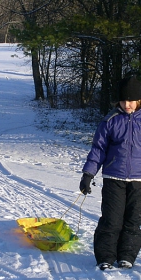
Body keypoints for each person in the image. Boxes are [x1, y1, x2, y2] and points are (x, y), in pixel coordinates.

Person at [79, 75, 141, 271]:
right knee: (112, 219)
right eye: (123, 100)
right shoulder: (110, 121)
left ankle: (126, 256)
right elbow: (98, 150)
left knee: (133, 220)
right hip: (114, 177)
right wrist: (88, 174)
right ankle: (105, 257)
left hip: (139, 180)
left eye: (131, 100)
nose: (127, 104)